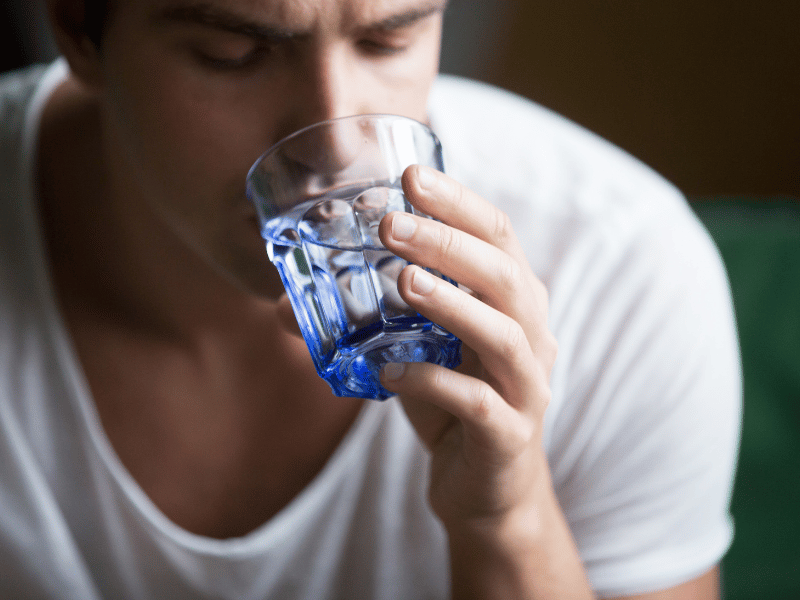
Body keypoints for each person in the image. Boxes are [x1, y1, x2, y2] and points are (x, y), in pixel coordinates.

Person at [0, 0, 741, 598]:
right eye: (236, 53)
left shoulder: (621, 275)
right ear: (77, 27)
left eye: (391, 38)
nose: (333, 144)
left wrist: (508, 522)